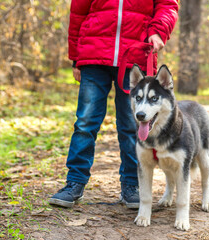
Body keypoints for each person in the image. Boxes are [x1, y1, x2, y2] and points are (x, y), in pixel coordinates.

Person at [48, 0, 179, 209]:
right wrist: (75, 57)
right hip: (93, 55)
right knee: (85, 122)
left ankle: (132, 185)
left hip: (135, 56)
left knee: (132, 125)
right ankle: (74, 183)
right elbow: (78, 12)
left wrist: (158, 31)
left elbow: (168, 5)